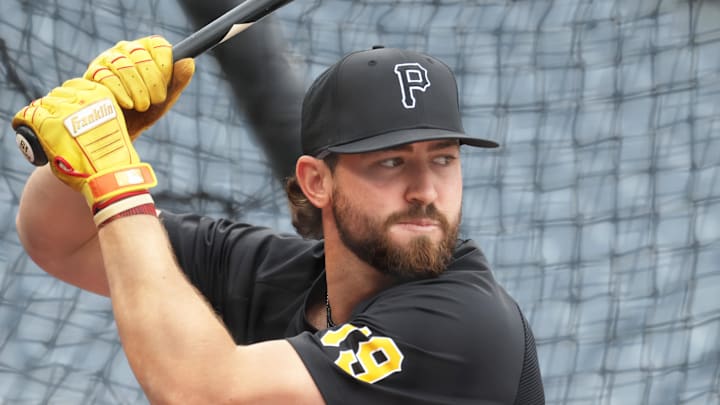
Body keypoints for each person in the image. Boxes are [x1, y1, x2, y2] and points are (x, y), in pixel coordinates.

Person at [13, 36, 545, 404]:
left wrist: (113, 180)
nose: (426, 190)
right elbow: (60, 239)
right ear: (317, 181)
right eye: (391, 162)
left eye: (444, 159)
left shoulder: (464, 324)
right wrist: (94, 145)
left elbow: (204, 392)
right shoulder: (270, 275)